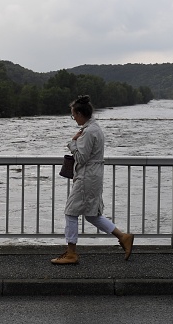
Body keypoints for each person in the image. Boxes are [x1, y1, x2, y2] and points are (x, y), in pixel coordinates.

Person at [51, 95, 134, 264]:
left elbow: (81, 158)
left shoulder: (89, 132)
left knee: (71, 212)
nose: (73, 118)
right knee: (92, 214)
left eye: (74, 114)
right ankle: (123, 237)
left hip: (87, 176)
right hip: (92, 175)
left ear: (80, 113)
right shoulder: (93, 128)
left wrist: (72, 143)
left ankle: (71, 253)